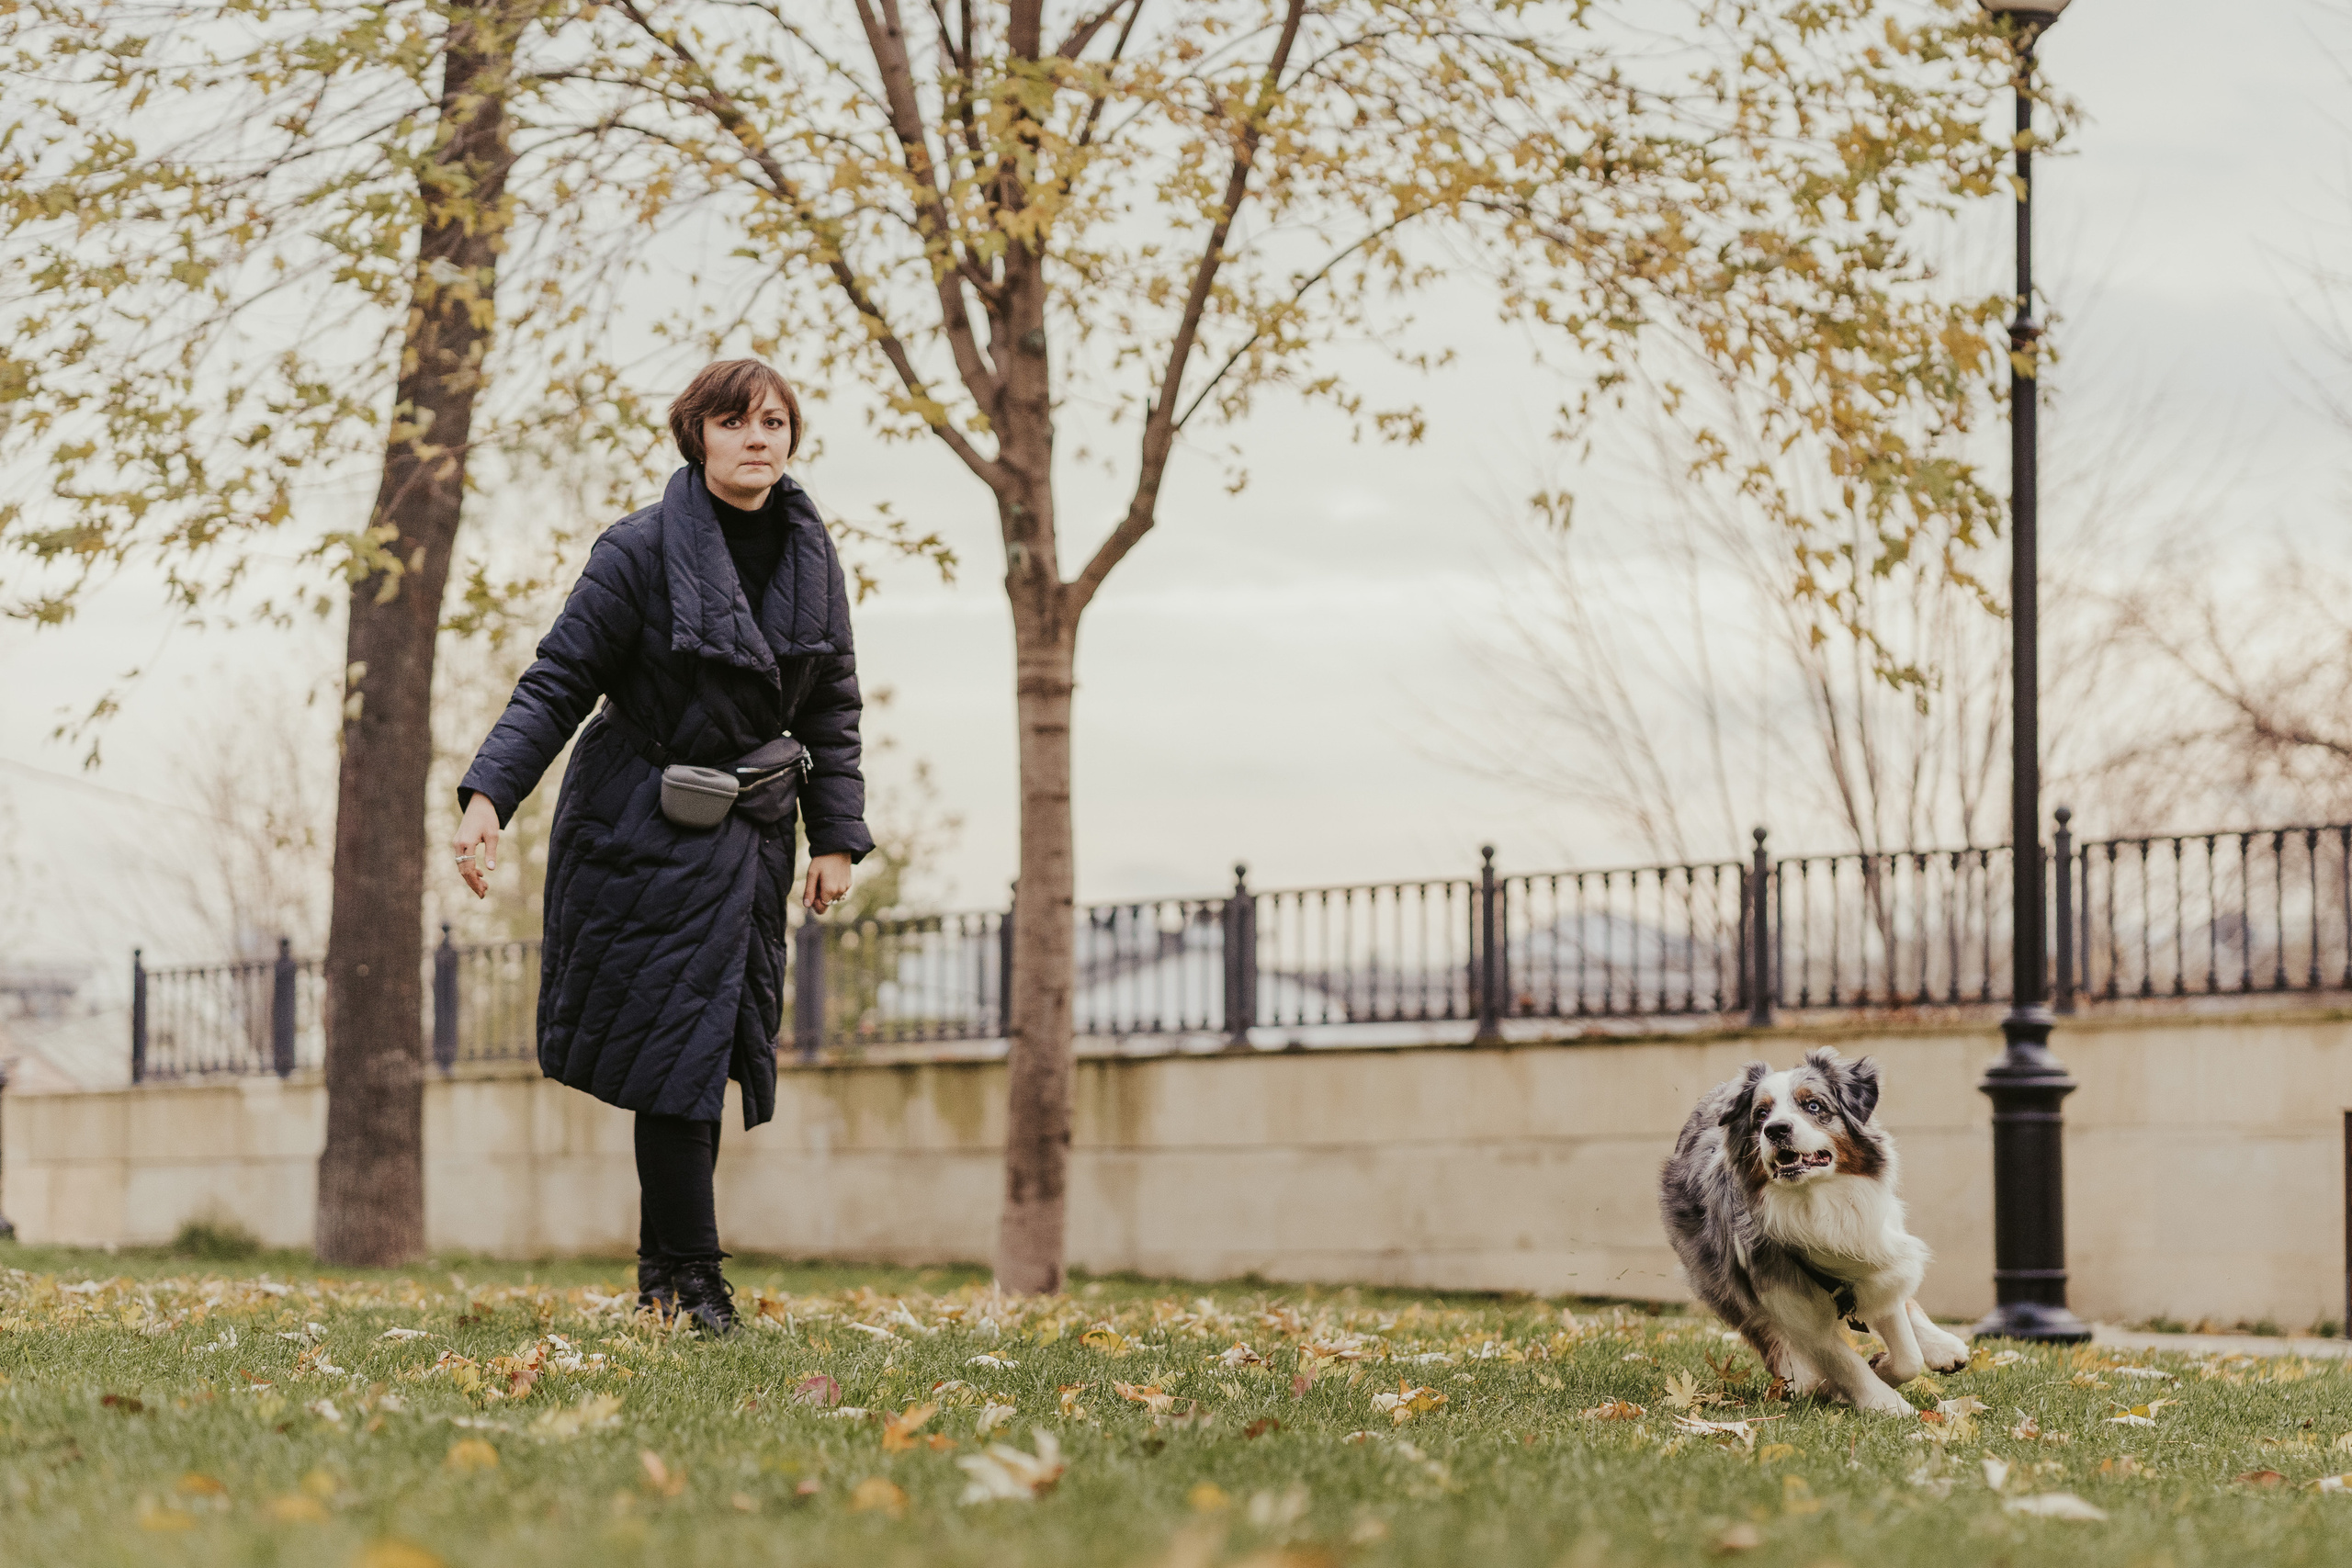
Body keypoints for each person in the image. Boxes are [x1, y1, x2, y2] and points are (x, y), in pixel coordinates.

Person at [450, 359, 872, 1333]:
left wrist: (836, 836)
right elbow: (557, 681)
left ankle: (665, 1281)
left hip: (754, 835)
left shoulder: (813, 554)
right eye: (734, 423)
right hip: (639, 826)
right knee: (678, 1051)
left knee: (702, 1048)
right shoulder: (639, 550)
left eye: (774, 422)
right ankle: (693, 1282)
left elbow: (835, 706)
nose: (757, 438)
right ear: (698, 436)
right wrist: (487, 799)